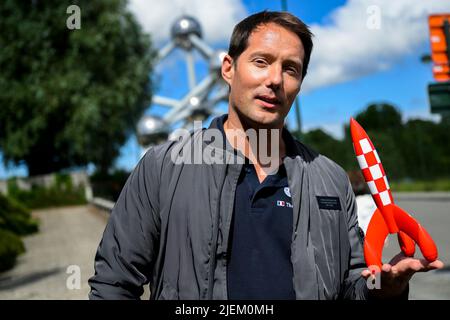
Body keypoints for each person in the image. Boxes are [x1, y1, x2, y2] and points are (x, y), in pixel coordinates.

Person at [88, 10, 443, 300]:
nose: (275, 79)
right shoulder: (163, 168)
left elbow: (352, 287)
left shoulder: (329, 178)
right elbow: (113, 284)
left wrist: (385, 289)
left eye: (291, 69)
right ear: (228, 69)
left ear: (300, 83)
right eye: (262, 61)